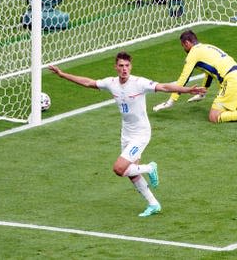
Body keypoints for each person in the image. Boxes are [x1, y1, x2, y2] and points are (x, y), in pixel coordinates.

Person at [48, 51, 205, 217]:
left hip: (141, 133)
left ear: (131, 67)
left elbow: (164, 86)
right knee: (131, 173)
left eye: (127, 66)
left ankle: (150, 168)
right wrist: (62, 74)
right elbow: (88, 82)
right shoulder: (111, 83)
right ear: (116, 67)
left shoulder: (139, 83)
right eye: (121, 66)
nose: (124, 69)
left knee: (119, 168)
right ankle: (154, 204)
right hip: (126, 133)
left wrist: (187, 90)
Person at [152, 30, 237, 123]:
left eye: (183, 46)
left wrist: (171, 100)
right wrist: (203, 92)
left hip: (231, 80)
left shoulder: (193, 53)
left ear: (187, 43)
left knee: (214, 117)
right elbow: (209, 72)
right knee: (234, 110)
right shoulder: (208, 47)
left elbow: (183, 78)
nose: (184, 49)